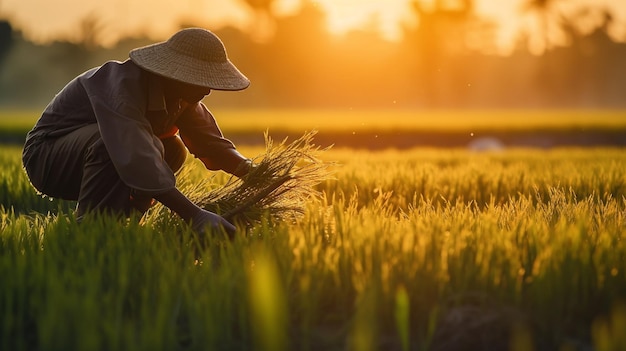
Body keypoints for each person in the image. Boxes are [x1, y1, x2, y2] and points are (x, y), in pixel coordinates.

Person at [21, 27, 254, 236]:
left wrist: (255, 171)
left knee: (173, 149)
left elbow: (212, 145)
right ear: (177, 74)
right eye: (199, 80)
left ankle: (127, 225)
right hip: (47, 157)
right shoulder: (122, 86)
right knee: (114, 144)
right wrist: (194, 214)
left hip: (94, 155)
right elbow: (134, 153)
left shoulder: (182, 97)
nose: (207, 90)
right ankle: (90, 231)